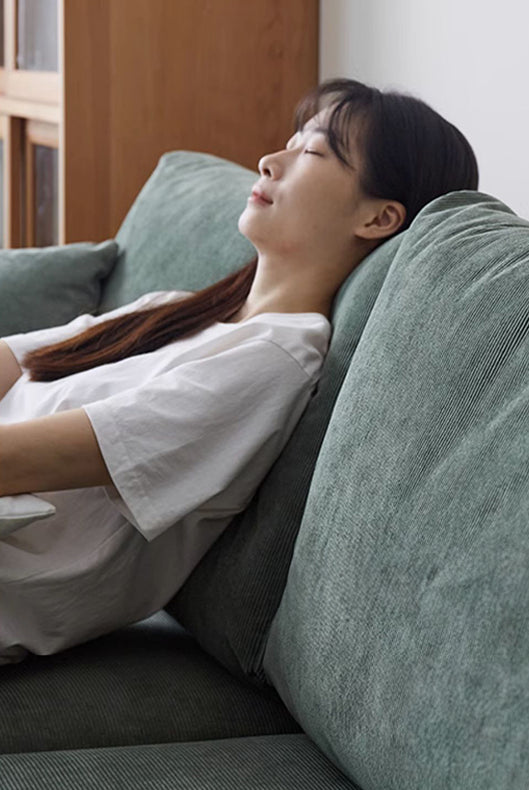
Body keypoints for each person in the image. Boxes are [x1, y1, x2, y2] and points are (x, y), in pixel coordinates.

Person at [0, 78, 479, 664]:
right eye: (291, 141)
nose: (270, 160)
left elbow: (17, 461)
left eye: (312, 153)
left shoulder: (272, 362)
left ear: (379, 218)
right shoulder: (174, 310)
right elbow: (15, 360)